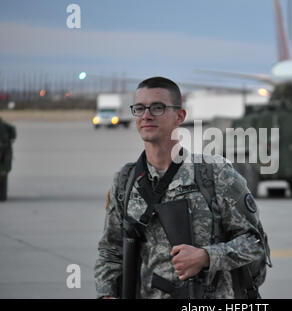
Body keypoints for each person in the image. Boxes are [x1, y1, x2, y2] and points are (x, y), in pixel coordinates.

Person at [94, 76, 269, 299]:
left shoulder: (215, 175)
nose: (146, 115)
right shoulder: (126, 180)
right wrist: (106, 294)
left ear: (180, 116)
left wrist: (206, 257)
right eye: (139, 108)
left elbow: (255, 243)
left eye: (157, 108)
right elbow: (110, 250)